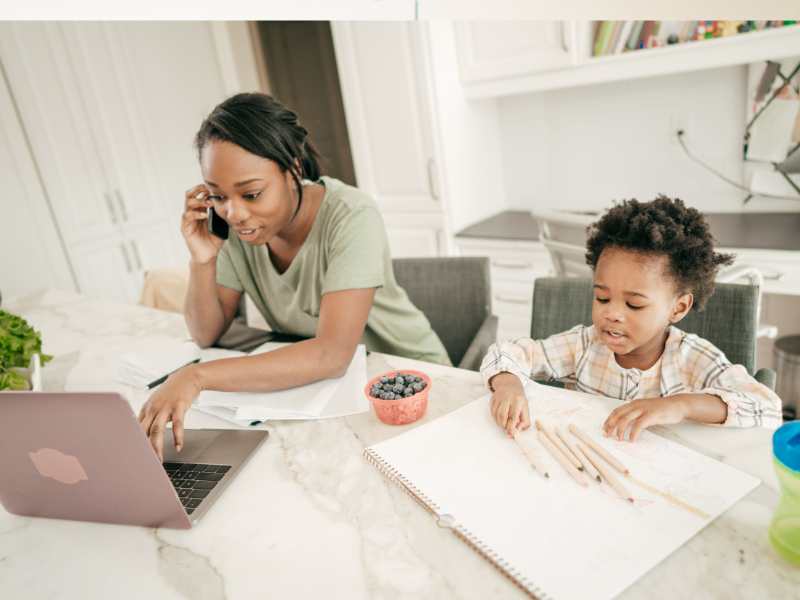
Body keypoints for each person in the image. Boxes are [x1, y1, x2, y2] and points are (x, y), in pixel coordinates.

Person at [139, 93, 449, 459]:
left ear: (294, 171)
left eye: (251, 193)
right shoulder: (240, 230)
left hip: (409, 379)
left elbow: (331, 354)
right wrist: (202, 259)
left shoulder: (352, 216)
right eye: (217, 196)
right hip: (329, 392)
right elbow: (205, 333)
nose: (234, 213)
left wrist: (196, 377)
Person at [482, 196, 782, 440]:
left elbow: (768, 408)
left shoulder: (692, 358)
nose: (611, 313)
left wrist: (680, 406)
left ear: (678, 308)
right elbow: (505, 352)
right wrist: (508, 383)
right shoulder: (585, 344)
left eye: (634, 305)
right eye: (602, 298)